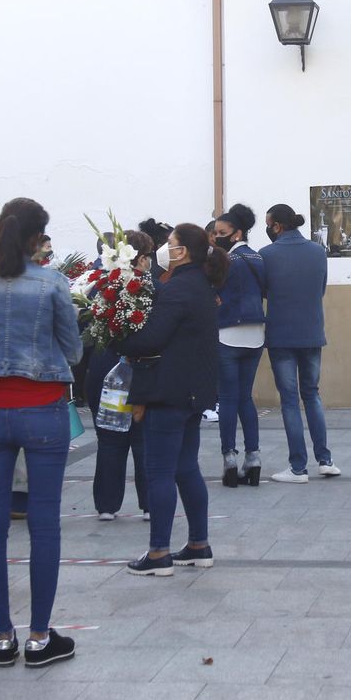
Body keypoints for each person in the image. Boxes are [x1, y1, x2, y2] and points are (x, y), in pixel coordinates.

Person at [0, 198, 83, 668]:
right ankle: (40, 636)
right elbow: (74, 350)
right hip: (43, 409)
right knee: (44, 522)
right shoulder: (51, 283)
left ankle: (2, 635)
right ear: (36, 239)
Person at [120, 223, 225, 575]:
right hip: (191, 390)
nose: (165, 248)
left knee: (160, 471)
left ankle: (158, 553)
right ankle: (198, 544)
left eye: (170, 243)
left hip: (168, 389)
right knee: (185, 467)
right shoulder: (200, 284)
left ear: (182, 252)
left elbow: (153, 337)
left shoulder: (179, 288)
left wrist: (121, 340)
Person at [261, 203, 339, 483]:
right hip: (311, 332)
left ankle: (297, 468)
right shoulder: (318, 251)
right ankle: (325, 460)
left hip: (281, 335)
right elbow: (321, 289)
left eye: (268, 225)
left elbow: (264, 292)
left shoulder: (266, 254)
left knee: (290, 401)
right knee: (312, 394)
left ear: (277, 226)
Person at [87, 231, 155, 520]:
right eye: (148, 256)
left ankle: (106, 505)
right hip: (139, 369)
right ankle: (150, 503)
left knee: (110, 437)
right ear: (140, 258)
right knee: (142, 438)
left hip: (106, 368)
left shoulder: (100, 285)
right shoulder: (149, 287)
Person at [214, 203, 266, 487]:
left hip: (227, 333)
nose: (216, 237)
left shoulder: (223, 260)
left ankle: (229, 459)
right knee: (245, 398)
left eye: (221, 232)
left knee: (227, 399)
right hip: (255, 333)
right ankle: (253, 457)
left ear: (237, 233)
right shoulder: (258, 258)